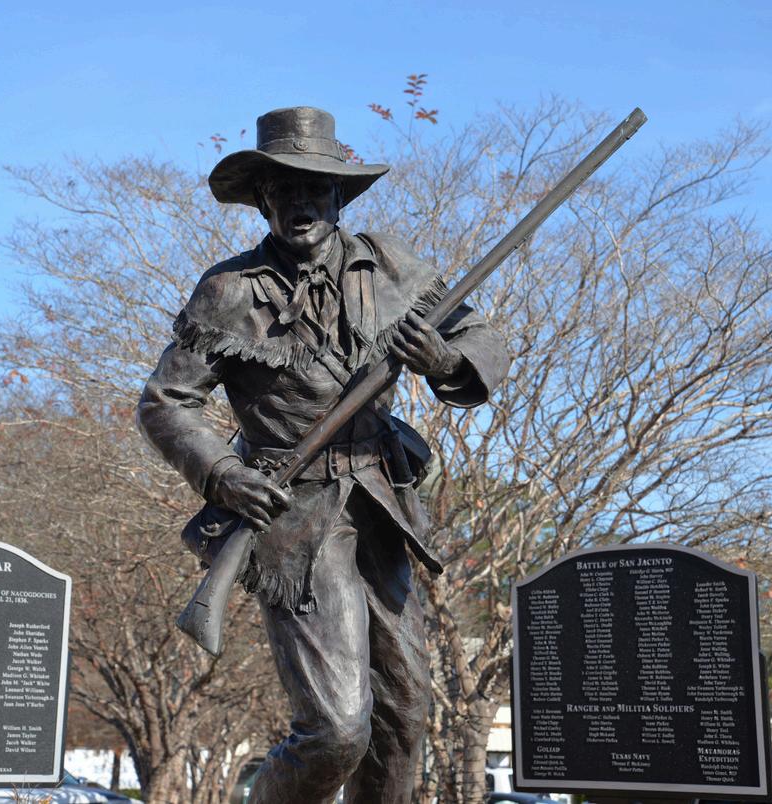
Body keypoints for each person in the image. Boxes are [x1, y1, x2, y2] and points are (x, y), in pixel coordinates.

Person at [137, 106, 509, 803]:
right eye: (283, 190)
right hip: (294, 515)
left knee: (404, 719)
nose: (299, 203)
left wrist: (442, 359)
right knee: (336, 730)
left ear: (339, 196)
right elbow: (165, 402)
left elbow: (479, 338)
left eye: (313, 188)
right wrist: (224, 474)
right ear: (263, 201)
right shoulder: (229, 291)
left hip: (380, 503)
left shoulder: (390, 264)